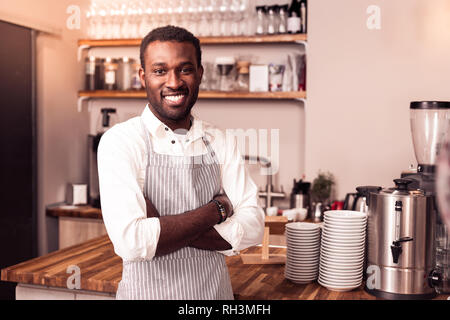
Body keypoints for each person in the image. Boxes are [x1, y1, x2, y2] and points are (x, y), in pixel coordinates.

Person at [97, 25, 265, 300]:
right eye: (160, 71)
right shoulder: (121, 141)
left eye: (185, 69)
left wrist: (160, 226)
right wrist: (216, 210)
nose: (173, 82)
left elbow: (254, 225)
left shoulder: (220, 140)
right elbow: (133, 242)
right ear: (143, 77)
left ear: (200, 73)